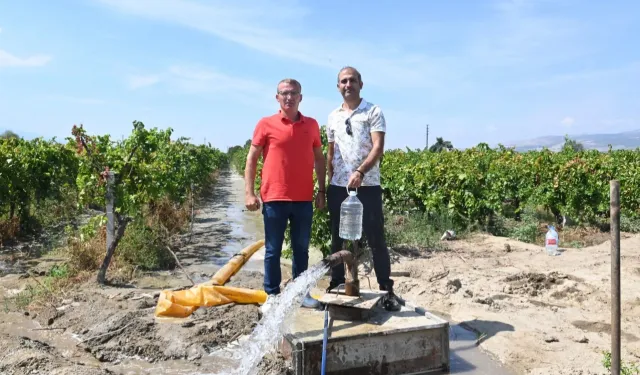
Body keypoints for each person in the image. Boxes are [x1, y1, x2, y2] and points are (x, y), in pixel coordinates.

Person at [244, 78, 326, 313]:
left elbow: (319, 159)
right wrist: (249, 193)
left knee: (302, 249)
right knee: (273, 249)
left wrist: (321, 190)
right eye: (284, 93)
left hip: (303, 198)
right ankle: (272, 295)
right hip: (274, 198)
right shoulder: (265, 124)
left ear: (301, 97)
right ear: (277, 97)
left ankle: (301, 293)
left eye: (293, 93)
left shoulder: (311, 125)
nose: (289, 97)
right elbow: (251, 159)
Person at [325, 66, 401, 312]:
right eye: (343, 81)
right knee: (337, 237)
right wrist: (328, 182)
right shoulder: (333, 116)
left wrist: (360, 172)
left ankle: (385, 289)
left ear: (361, 84)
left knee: (375, 237)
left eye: (352, 80)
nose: (348, 85)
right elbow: (331, 151)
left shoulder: (373, 111)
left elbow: (378, 147)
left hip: (367, 185)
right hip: (339, 186)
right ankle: (336, 282)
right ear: (338, 86)